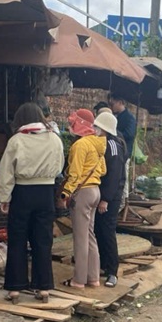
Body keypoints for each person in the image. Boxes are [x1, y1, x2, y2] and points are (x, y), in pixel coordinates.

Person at [0, 103, 65, 304]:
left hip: (22, 193)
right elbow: (60, 167)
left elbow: (6, 171)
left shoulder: (16, 140)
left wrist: (4, 197)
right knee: (43, 240)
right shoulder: (55, 139)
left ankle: (15, 289)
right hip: (46, 193)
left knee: (17, 239)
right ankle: (43, 288)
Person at [57, 108, 106, 289]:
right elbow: (103, 170)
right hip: (95, 190)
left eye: (72, 123)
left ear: (80, 124)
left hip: (83, 193)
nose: (70, 126)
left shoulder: (80, 145)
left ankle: (78, 280)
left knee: (80, 238)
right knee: (90, 235)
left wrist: (65, 193)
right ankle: (93, 278)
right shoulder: (98, 143)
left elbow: (75, 174)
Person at [93, 112, 126, 289]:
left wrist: (105, 199)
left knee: (107, 231)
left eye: (97, 127)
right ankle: (103, 264)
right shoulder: (102, 143)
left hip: (110, 197)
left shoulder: (113, 146)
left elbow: (114, 177)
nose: (94, 129)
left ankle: (112, 271)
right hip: (102, 194)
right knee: (99, 229)